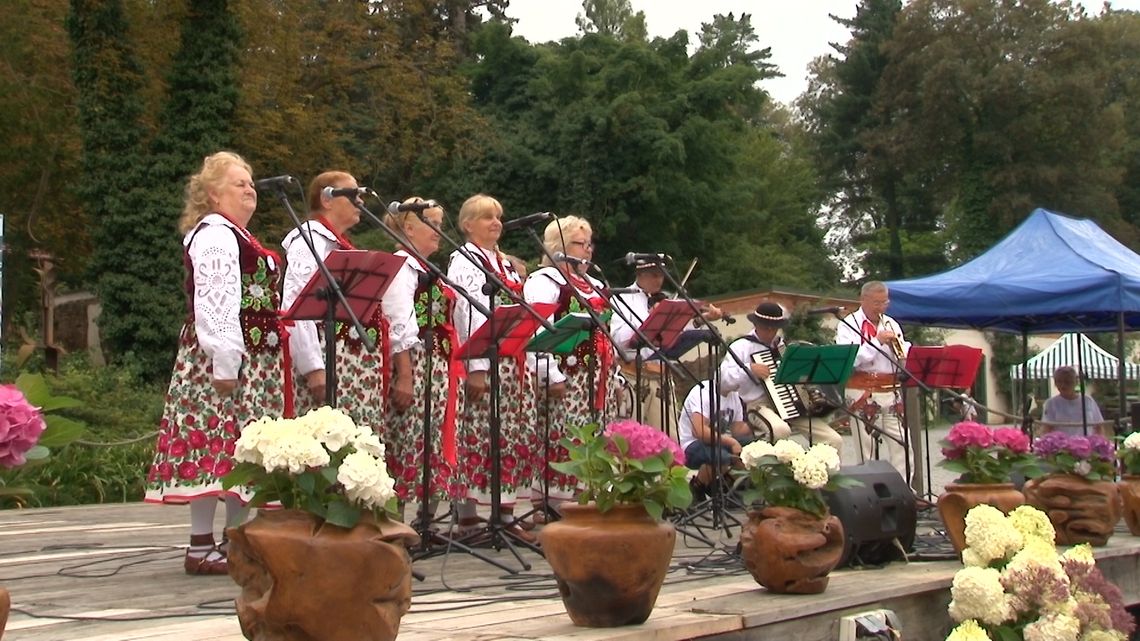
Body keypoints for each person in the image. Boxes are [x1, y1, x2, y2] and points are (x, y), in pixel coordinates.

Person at [144, 151, 291, 575]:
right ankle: (201, 546)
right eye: (239, 183)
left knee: (240, 453)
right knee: (213, 446)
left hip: (252, 360)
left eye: (251, 182)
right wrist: (225, 364)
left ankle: (235, 541)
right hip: (222, 358)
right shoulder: (214, 234)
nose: (250, 189)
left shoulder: (239, 236)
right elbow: (215, 301)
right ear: (212, 193)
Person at [446, 194, 539, 543]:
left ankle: (506, 512)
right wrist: (477, 367)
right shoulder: (464, 262)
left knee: (510, 437)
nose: (496, 223)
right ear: (468, 224)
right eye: (487, 217)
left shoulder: (506, 263)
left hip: (514, 361)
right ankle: (468, 517)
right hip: (487, 361)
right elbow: (466, 315)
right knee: (480, 436)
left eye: (499, 216)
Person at [280, 171, 388, 439]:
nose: (360, 201)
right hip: (326, 364)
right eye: (352, 194)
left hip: (350, 367)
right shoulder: (309, 240)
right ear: (327, 200)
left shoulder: (339, 245)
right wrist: (313, 369)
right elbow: (296, 307)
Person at [523, 216, 616, 518]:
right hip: (567, 376)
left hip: (597, 379)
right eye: (578, 243)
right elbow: (539, 330)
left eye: (589, 244)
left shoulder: (596, 285)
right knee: (563, 436)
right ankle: (555, 500)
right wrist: (550, 373)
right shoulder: (545, 281)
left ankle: (589, 494)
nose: (587, 250)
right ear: (556, 247)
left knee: (594, 436)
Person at [381, 197, 464, 518]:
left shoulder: (428, 270)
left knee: (429, 443)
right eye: (431, 223)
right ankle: (396, 521)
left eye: (441, 225)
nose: (438, 231)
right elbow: (398, 322)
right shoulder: (402, 267)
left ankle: (425, 519)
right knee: (407, 442)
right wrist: (405, 375)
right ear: (409, 228)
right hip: (415, 367)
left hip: (437, 369)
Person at [609, 259, 722, 436]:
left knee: (668, 438)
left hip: (661, 376)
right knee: (630, 439)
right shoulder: (623, 298)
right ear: (640, 274)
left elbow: (678, 332)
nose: (659, 280)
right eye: (654, 275)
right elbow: (618, 338)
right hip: (633, 376)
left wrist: (700, 320)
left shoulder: (665, 301)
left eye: (662, 275)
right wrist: (651, 321)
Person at [718, 300, 845, 457]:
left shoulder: (782, 346)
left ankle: (818, 478)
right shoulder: (741, 346)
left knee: (834, 439)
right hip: (757, 405)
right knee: (780, 430)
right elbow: (721, 381)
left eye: (774, 328)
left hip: (790, 402)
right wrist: (748, 369)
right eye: (766, 327)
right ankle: (761, 471)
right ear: (756, 324)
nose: (770, 332)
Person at [836, 281, 912, 484]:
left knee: (902, 443)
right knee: (866, 446)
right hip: (862, 389)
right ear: (863, 300)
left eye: (884, 302)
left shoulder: (891, 323)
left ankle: (903, 490)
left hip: (891, 389)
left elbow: (900, 356)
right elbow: (850, 359)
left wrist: (903, 350)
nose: (881, 307)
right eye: (876, 302)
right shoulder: (848, 325)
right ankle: (870, 491)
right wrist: (876, 342)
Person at [677, 380, 753, 495]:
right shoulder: (703, 392)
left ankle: (727, 486)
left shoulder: (734, 396)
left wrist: (755, 422)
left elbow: (737, 430)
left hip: (720, 441)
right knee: (722, 456)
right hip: (693, 444)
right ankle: (697, 487)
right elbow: (698, 431)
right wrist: (731, 442)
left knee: (752, 447)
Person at [1041, 365, 1106, 436]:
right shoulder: (1051, 403)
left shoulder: (1088, 401)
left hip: (1086, 444)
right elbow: (1047, 430)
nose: (1063, 385)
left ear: (1076, 382)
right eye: (1059, 381)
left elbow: (1099, 427)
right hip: (1061, 445)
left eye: (1067, 381)